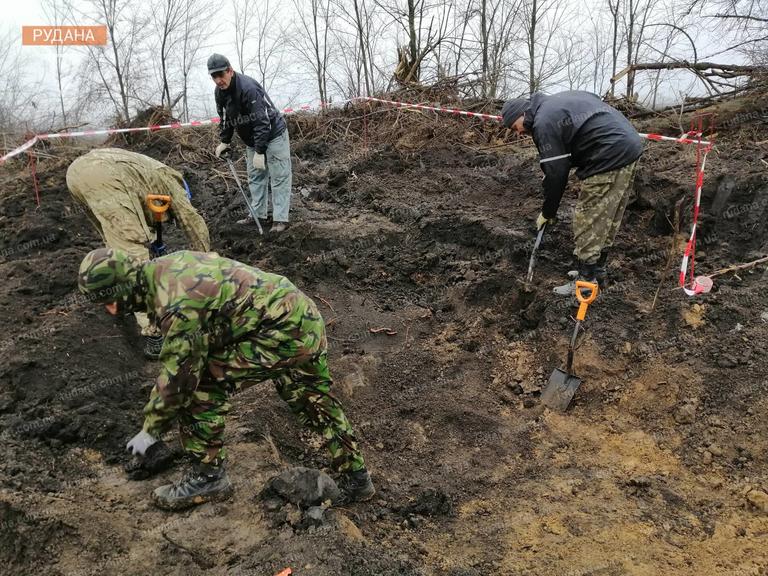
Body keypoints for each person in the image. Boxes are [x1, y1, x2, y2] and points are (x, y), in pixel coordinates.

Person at [77, 248, 375, 511]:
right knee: (312, 398)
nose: (111, 310)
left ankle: (208, 478)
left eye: (111, 300)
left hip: (280, 331)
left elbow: (179, 380)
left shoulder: (177, 305)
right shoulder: (166, 267)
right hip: (300, 314)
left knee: (201, 385)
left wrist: (149, 431)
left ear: (126, 285)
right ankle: (358, 478)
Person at [66, 148, 211, 358]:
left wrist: (147, 239)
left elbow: (140, 204)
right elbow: (194, 223)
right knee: (134, 255)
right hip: (107, 179)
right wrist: (207, 262)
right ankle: (155, 334)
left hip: (76, 174)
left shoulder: (150, 171)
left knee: (116, 239)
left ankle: (114, 285)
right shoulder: (175, 187)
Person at [501, 91, 644, 295]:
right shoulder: (553, 105)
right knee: (607, 217)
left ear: (521, 114)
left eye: (515, 127)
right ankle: (596, 270)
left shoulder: (543, 123)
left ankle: (585, 282)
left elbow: (557, 174)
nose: (518, 133)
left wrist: (548, 212)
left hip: (608, 155)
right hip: (628, 146)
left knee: (588, 218)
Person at [208, 53, 292, 233]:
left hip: (274, 134)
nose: (218, 80)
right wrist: (225, 141)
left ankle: (280, 219)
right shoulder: (219, 93)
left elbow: (262, 122)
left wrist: (260, 151)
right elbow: (225, 118)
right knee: (255, 177)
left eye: (221, 75)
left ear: (230, 71)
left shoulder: (248, 88)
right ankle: (258, 215)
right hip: (252, 139)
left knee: (279, 176)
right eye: (214, 76)